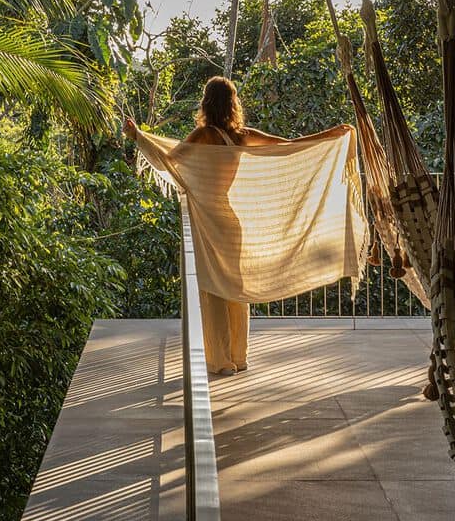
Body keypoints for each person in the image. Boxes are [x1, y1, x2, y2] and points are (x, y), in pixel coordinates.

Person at [125, 76, 348, 377]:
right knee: (235, 289)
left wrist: (137, 136)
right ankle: (239, 357)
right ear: (233, 104)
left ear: (206, 103)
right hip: (231, 220)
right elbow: (288, 145)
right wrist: (330, 134)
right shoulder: (242, 136)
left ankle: (221, 361)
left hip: (209, 220)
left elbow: (169, 161)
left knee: (213, 290)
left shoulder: (203, 135)